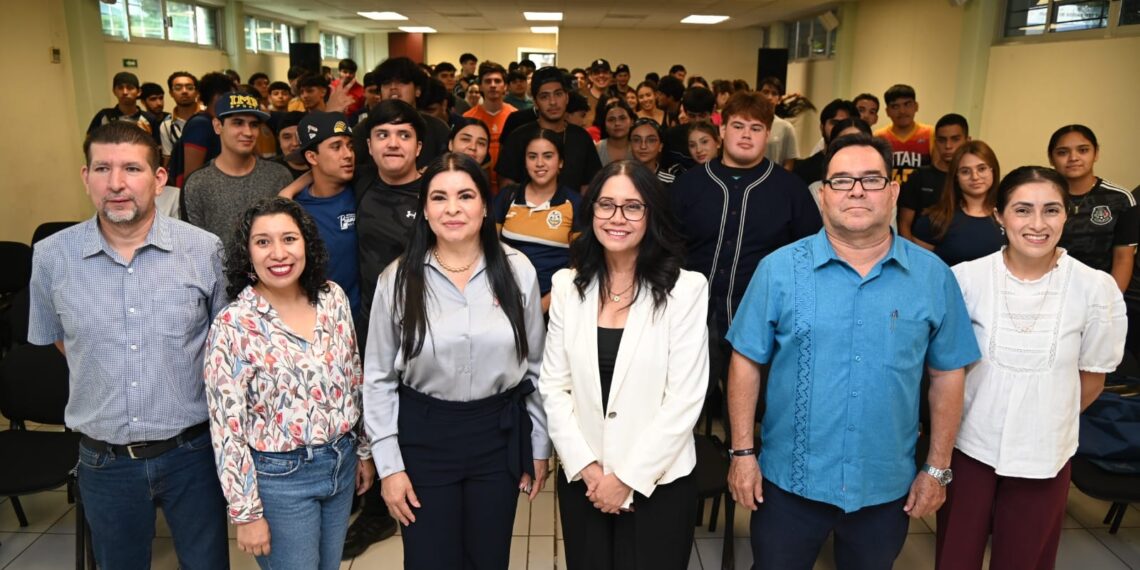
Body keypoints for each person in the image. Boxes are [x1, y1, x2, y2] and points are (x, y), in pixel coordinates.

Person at [726, 133, 980, 569]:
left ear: (893, 191)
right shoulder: (778, 270)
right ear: (822, 195)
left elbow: (948, 374)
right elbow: (746, 361)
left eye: (871, 179)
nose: (857, 191)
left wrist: (937, 468)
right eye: (842, 180)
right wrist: (743, 454)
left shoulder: (933, 276)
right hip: (787, 484)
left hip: (885, 485)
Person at [28, 122, 230, 569]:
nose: (116, 183)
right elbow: (60, 338)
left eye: (132, 169)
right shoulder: (52, 256)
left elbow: (224, 342)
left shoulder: (204, 250)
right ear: (86, 177)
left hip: (192, 454)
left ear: (159, 179)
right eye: (103, 168)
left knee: (207, 563)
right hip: (105, 460)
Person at [363, 153, 550, 569]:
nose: (452, 208)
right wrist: (389, 467)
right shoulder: (398, 278)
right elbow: (377, 378)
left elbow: (537, 366)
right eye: (439, 197)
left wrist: (538, 446)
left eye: (465, 196)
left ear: (484, 206)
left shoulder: (517, 270)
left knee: (489, 559)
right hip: (424, 437)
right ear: (424, 210)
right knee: (430, 560)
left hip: (497, 437)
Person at [936, 166, 1126, 569]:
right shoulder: (964, 280)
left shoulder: (1095, 289)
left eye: (1051, 210)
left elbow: (1092, 379)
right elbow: (943, 371)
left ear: (1067, 215)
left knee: (1024, 558)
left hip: (1045, 452)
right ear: (999, 216)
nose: (1037, 224)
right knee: (956, 555)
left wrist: (1040, 421)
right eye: (1022, 210)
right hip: (970, 444)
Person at [539, 159, 708, 569]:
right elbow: (553, 386)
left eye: (633, 207)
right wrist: (589, 469)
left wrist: (625, 479)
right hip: (585, 480)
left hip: (659, 483)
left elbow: (684, 400)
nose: (617, 218)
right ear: (591, 211)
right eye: (606, 205)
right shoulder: (568, 286)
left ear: (652, 215)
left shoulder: (685, 290)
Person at [204, 198, 376, 569]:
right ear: (247, 253)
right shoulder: (234, 324)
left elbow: (353, 377)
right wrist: (246, 513)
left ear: (306, 245)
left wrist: (363, 450)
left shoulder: (332, 298)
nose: (278, 253)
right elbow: (226, 427)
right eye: (263, 242)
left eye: (289, 239)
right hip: (281, 479)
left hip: (341, 462)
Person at [670, 91, 821, 359]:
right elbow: (665, 247)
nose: (746, 135)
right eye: (738, 126)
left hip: (764, 321)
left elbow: (809, 256)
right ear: (722, 130)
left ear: (768, 134)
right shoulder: (688, 185)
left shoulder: (791, 190)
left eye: (756, 128)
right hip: (689, 318)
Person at [183, 92, 293, 250]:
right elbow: (193, 247)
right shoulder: (198, 183)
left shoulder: (279, 176)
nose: (248, 132)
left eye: (254, 125)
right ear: (217, 126)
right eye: (238, 123)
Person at [493, 129, 583, 311]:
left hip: (554, 305)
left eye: (548, 156)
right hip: (503, 302)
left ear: (561, 162)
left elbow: (580, 266)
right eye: (532, 156)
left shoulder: (575, 204)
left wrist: (540, 308)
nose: (539, 163)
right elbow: (488, 251)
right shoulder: (507, 197)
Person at [288, 112, 362, 317]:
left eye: (350, 146)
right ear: (312, 157)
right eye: (336, 147)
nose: (348, 154)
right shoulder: (295, 211)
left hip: (364, 320)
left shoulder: (364, 190)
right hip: (315, 321)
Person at [1048, 124, 1136, 292]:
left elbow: (1123, 259)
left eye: (1083, 150)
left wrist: (1110, 300)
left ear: (1096, 153)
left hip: (1100, 291)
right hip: (1048, 290)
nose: (1073, 158)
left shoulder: (1120, 199)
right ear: (1051, 158)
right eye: (1063, 152)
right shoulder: (1041, 196)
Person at [497, 67, 602, 194]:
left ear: (567, 97)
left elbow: (589, 187)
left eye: (558, 94)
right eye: (544, 96)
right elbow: (506, 189)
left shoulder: (581, 137)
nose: (553, 102)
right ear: (535, 103)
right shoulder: (518, 137)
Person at [910, 141, 1004, 266]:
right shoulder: (934, 220)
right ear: (956, 177)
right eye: (965, 171)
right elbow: (919, 269)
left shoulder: (1009, 216)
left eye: (981, 169)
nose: (975, 177)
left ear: (993, 171)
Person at [898, 113, 971, 241]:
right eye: (942, 140)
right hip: (920, 248)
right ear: (935, 142)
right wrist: (910, 252)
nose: (948, 146)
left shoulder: (973, 180)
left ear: (967, 141)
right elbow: (904, 224)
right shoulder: (919, 177)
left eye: (955, 139)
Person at [464, 61, 517, 191]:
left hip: (510, 186)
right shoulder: (468, 117)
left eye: (497, 81)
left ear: (505, 86)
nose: (493, 85)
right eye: (488, 81)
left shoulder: (515, 116)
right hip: (476, 185)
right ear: (480, 86)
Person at [874, 84, 933, 184]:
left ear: (916, 106)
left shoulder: (930, 133)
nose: (902, 111)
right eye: (895, 106)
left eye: (907, 104)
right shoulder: (879, 136)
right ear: (887, 111)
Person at [792, 98, 855, 187]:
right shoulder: (804, 170)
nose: (839, 128)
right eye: (834, 123)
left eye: (844, 124)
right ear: (822, 127)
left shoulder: (865, 165)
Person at [86, 71, 160, 140]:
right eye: (120, 88)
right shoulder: (104, 116)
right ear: (114, 91)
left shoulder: (149, 119)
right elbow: (89, 141)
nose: (125, 92)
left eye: (130, 88)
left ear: (139, 92)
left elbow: (157, 146)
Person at [756, 77, 799, 170]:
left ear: (779, 99)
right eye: (765, 92)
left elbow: (789, 163)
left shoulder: (786, 127)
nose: (769, 97)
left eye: (774, 94)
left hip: (774, 176)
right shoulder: (748, 124)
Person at [160, 71, 201, 166]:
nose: (184, 91)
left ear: (197, 92)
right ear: (171, 93)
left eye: (189, 87)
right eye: (178, 88)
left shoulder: (209, 116)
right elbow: (168, 158)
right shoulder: (166, 125)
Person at [629, 118, 680, 185]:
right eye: (636, 140)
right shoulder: (619, 179)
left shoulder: (672, 183)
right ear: (630, 145)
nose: (643, 146)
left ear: (660, 146)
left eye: (651, 140)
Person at [594, 98, 635, 166]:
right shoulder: (597, 149)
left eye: (622, 118)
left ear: (632, 122)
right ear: (604, 124)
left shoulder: (639, 148)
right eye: (611, 120)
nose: (617, 123)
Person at [272, 111, 311, 180]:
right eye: (287, 137)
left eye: (300, 135)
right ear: (279, 141)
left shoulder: (326, 166)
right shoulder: (270, 170)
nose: (295, 143)